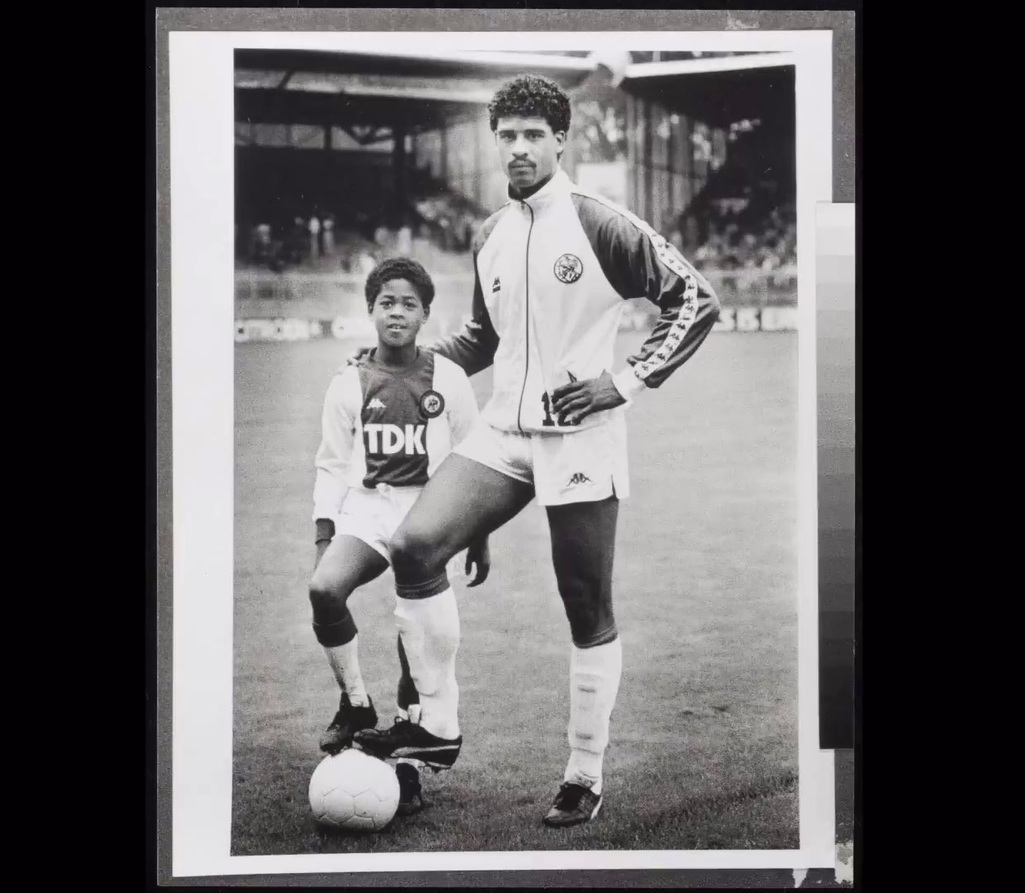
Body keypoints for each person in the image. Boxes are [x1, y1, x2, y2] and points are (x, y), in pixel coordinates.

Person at [352, 74, 720, 827]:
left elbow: (696, 299)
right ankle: (437, 727)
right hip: (501, 432)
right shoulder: (492, 233)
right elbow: (483, 341)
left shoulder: (601, 223)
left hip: (580, 436)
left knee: (584, 602)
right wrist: (399, 359)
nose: (517, 148)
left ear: (560, 140)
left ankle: (584, 773)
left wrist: (624, 381)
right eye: (507, 136)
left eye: (531, 135)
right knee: (415, 545)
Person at [309, 257, 490, 817]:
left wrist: (477, 534)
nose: (397, 311)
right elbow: (331, 465)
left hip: (427, 517)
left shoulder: (449, 379)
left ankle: (408, 768)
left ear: (426, 315)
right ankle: (358, 703)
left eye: (409, 303)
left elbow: (475, 458)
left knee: (418, 653)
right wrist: (325, 535)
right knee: (324, 590)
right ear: (370, 310)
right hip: (369, 512)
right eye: (387, 301)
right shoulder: (349, 382)